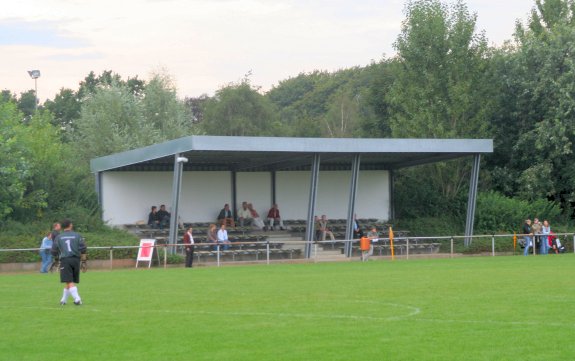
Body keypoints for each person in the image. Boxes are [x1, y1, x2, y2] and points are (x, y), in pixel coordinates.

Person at [51, 219, 87, 306]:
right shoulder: (77, 235)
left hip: (65, 260)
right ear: (70, 225)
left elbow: (53, 251)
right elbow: (83, 249)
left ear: (62, 226)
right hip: (76, 260)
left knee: (69, 280)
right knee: (69, 281)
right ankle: (63, 300)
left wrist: (55, 261)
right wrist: (84, 261)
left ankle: (77, 299)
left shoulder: (59, 237)